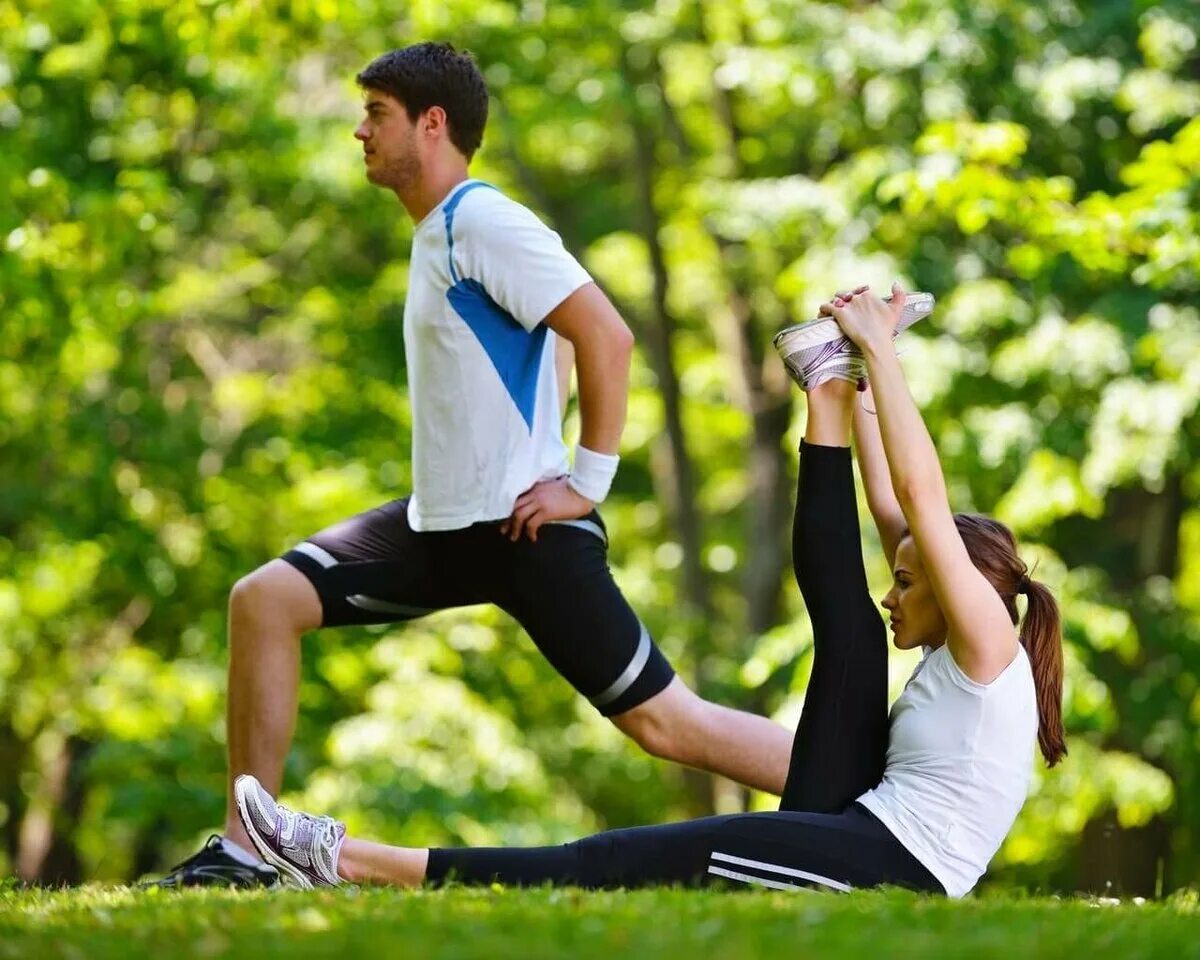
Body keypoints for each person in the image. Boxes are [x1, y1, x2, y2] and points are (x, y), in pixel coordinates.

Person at [151, 42, 795, 888]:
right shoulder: (437, 234)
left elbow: (606, 334)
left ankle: (872, 797)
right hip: (439, 526)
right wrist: (540, 436)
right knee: (265, 601)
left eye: (376, 115)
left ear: (432, 122)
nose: (359, 132)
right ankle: (249, 850)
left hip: (522, 532)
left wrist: (580, 483)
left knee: (665, 725)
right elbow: (551, 347)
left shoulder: (483, 220)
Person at [228, 284, 1067, 898]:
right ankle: (824, 385)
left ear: (964, 590)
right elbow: (894, 510)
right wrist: (856, 391)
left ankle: (340, 859)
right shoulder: (964, 633)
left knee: (618, 860)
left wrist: (884, 348)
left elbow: (920, 499)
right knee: (843, 619)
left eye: (911, 582)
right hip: (862, 814)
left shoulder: (986, 639)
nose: (896, 592)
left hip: (895, 865)